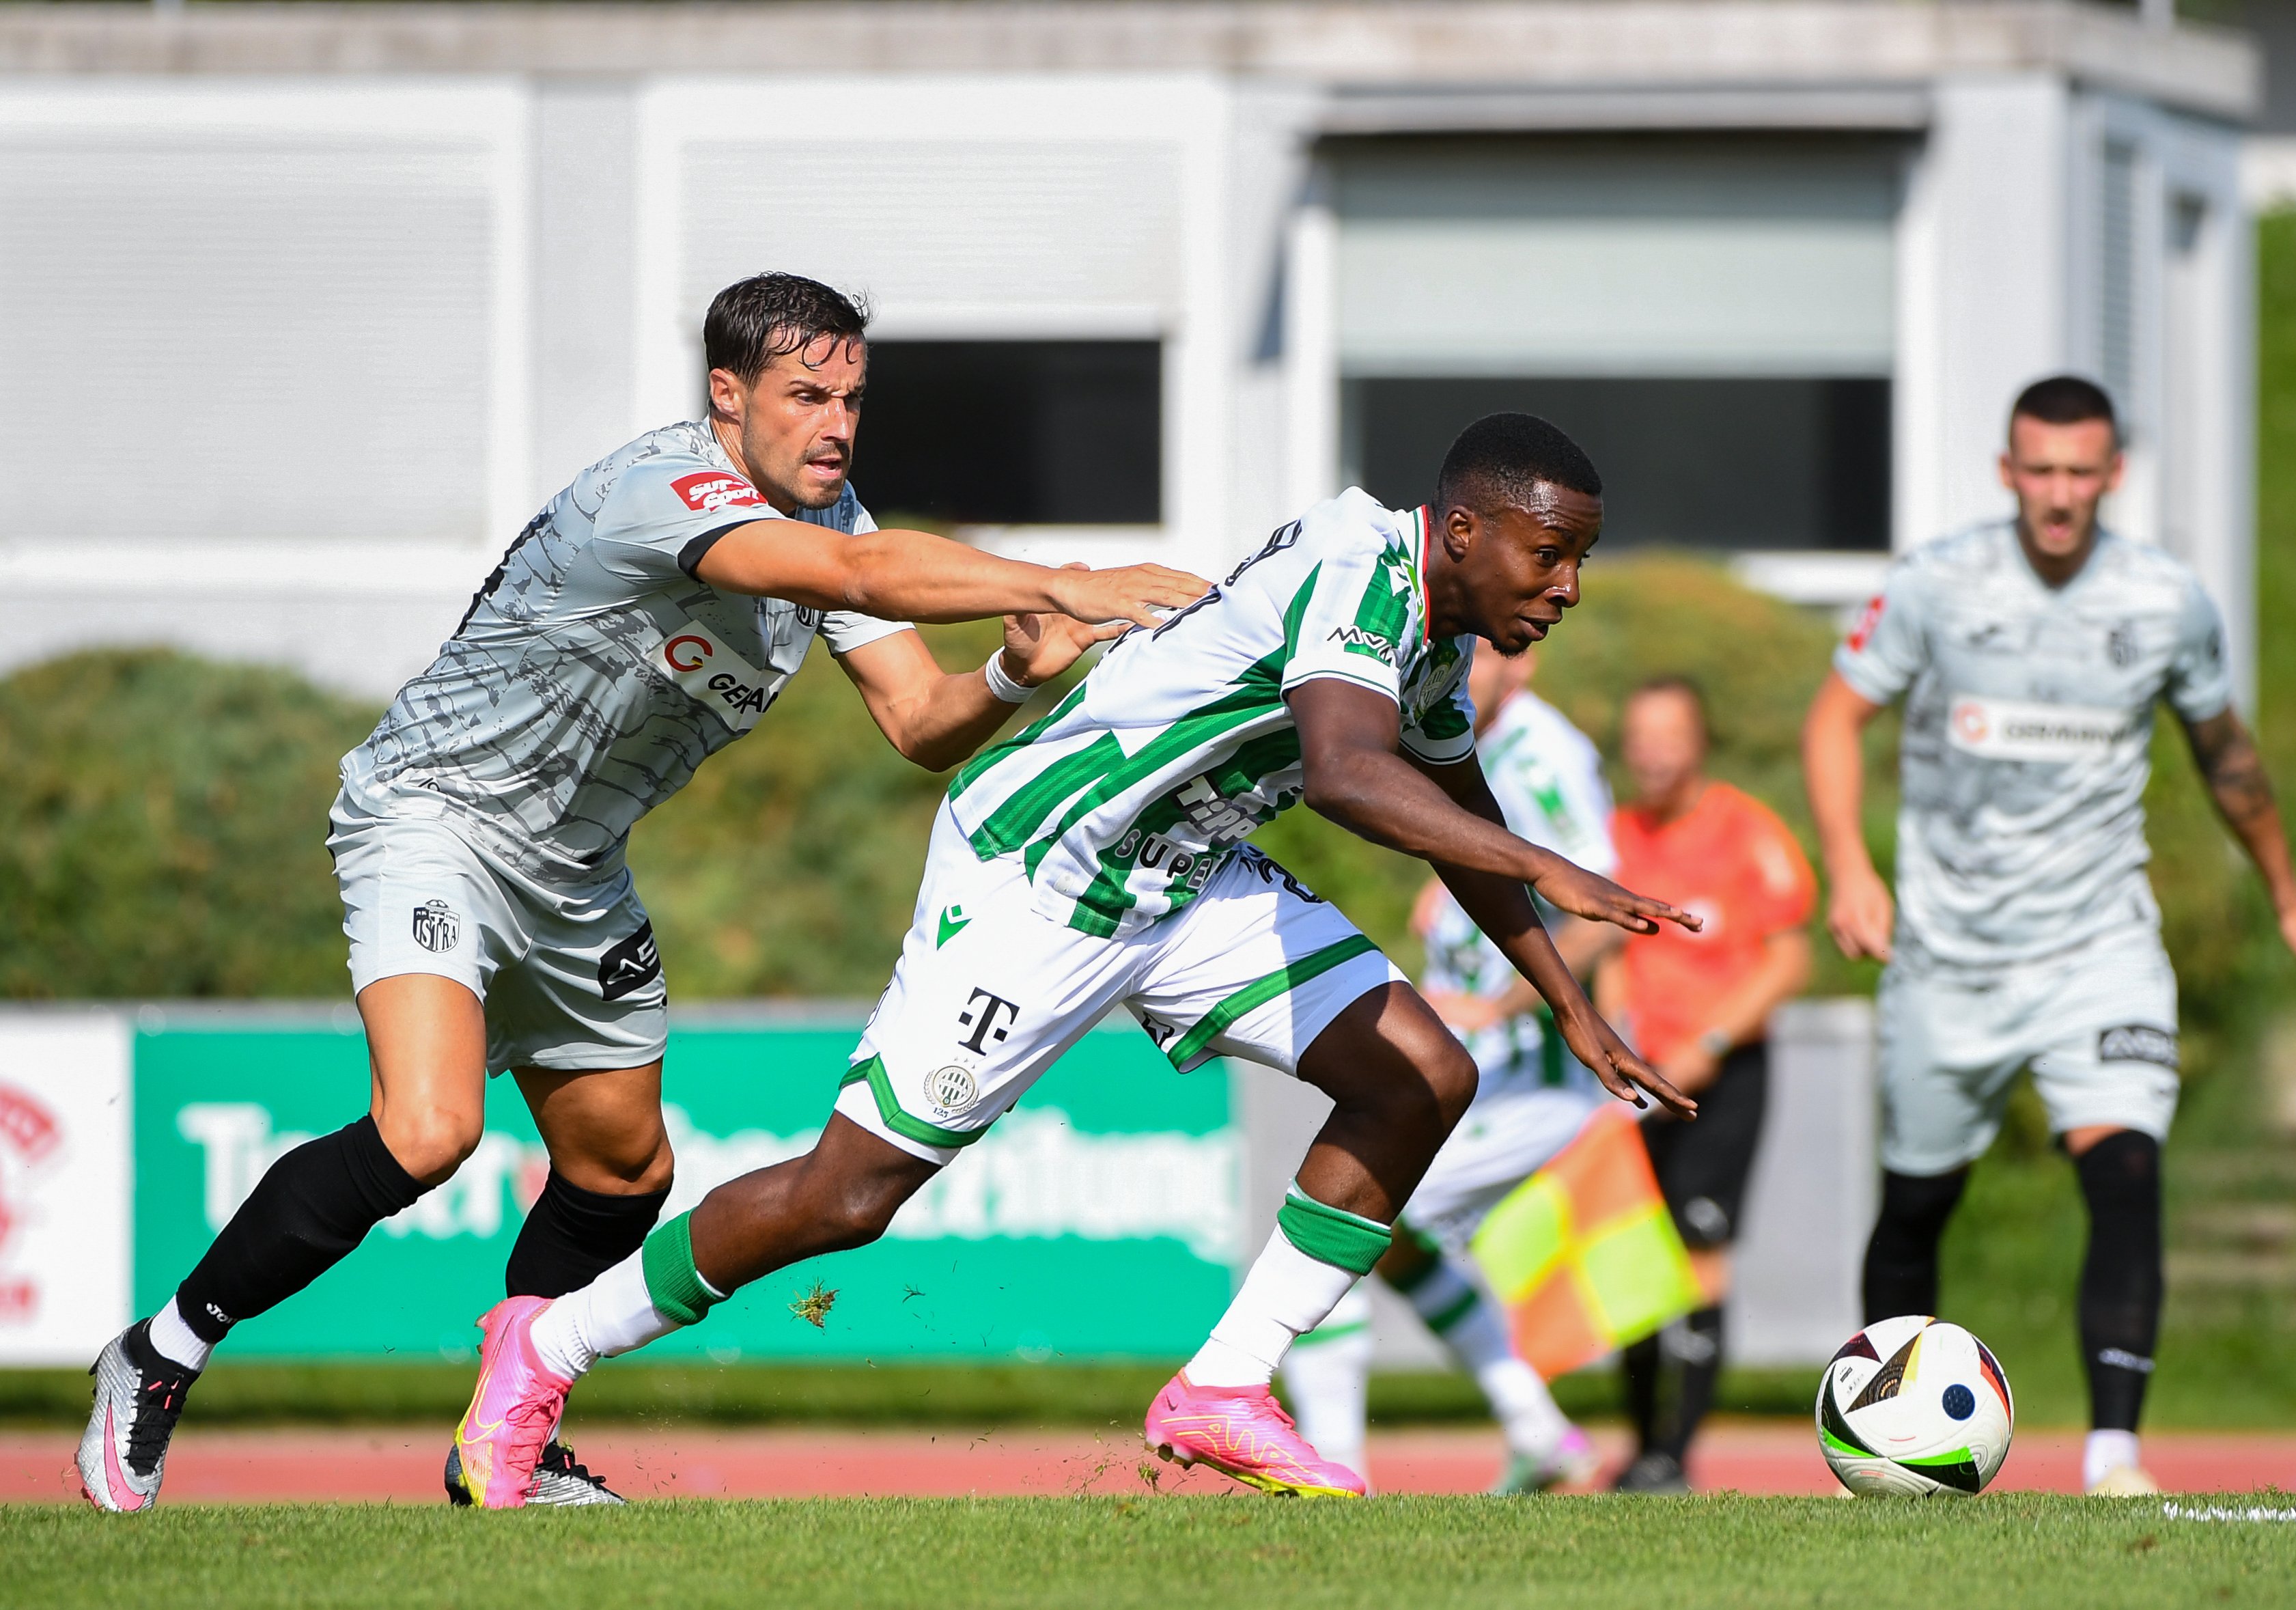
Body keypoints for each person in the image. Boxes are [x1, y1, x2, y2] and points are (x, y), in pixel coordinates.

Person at [77, 273, 1207, 1514]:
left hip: (576, 869)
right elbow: (866, 575)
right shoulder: (666, 487)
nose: (836, 424)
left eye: (852, 399)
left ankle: (506, 1441)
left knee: (620, 1170)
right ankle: (158, 1353)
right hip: (436, 815)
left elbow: (919, 722)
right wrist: (1056, 580)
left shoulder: (833, 518)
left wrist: (1011, 671)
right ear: (727, 394)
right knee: (430, 1128)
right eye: (806, 395)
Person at [443, 412, 1704, 1508]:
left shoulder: (1438, 632)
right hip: (1041, 868)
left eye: (1580, 560)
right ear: (1465, 530)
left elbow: (1454, 803)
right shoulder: (1356, 564)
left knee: (1422, 1075)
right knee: (847, 1199)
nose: (1567, 587)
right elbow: (1343, 772)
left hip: (1185, 876)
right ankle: (545, 1347)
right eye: (1551, 553)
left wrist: (1566, 1001)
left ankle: (1223, 1386)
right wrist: (1552, 866)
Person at [1804, 374, 2296, 1497]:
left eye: (2080, 472)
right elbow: (1834, 720)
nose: (2058, 494)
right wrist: (1850, 867)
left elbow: (2226, 756)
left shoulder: (2165, 601)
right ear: (2007, 472)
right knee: (1919, 1202)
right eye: (2040, 470)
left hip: (2100, 949)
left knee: (2127, 1168)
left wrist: (2290, 894)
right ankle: (1885, 1446)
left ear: (2114, 475)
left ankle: (2114, 1456)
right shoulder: (1935, 585)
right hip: (1948, 955)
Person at [1281, 639, 1623, 1493]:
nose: (1470, 673)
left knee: (1338, 1222)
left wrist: (1501, 1007)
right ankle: (1539, 1432)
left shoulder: (1542, 753)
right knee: (1392, 1246)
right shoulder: (1459, 736)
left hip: (1532, 1083)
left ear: (1526, 666)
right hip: (1487, 1080)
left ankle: (1331, 1474)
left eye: (1492, 656)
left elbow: (1604, 906)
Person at [1597, 678, 1813, 1494]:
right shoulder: (1613, 834)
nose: (1650, 752)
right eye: (1638, 737)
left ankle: (1674, 1453)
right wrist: (1617, 1040)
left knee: (1699, 1249)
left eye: (1667, 736)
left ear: (1698, 742)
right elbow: (1603, 946)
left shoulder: (1746, 830)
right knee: (1632, 1261)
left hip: (1723, 1078)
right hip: (1639, 1082)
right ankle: (1639, 1448)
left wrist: (1709, 1042)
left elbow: (1788, 957)